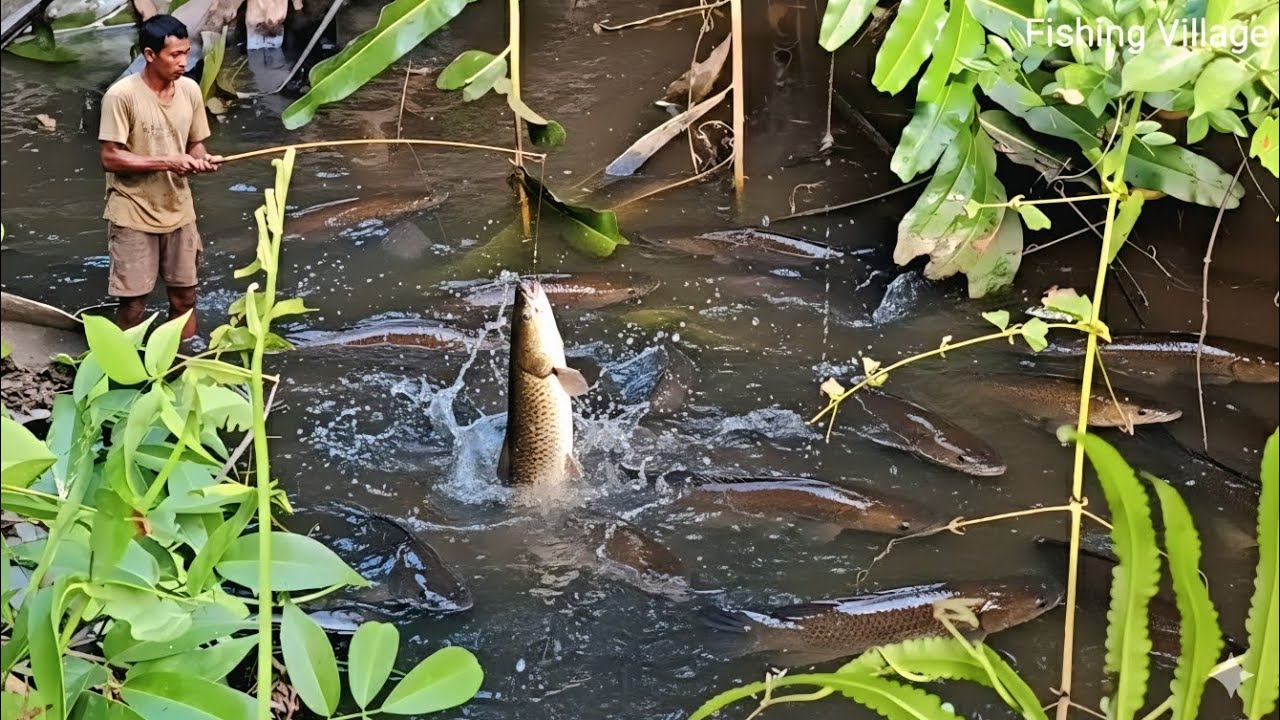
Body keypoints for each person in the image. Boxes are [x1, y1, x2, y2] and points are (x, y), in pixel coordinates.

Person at [99, 13, 221, 344]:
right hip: (134, 210)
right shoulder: (121, 96)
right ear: (149, 55)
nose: (184, 62)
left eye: (186, 52)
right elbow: (110, 157)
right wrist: (167, 161)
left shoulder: (190, 91)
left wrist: (202, 160)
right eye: (175, 55)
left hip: (178, 208)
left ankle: (182, 364)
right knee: (134, 304)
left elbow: (195, 143)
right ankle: (124, 370)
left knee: (184, 299)